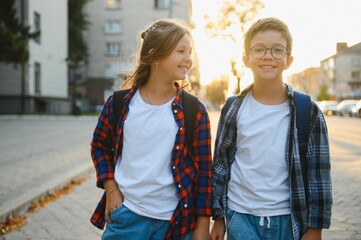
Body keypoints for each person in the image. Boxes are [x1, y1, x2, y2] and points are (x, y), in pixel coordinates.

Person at [89, 18, 212, 240]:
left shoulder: (194, 110)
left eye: (190, 52)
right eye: (181, 51)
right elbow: (99, 146)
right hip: (127, 217)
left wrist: (203, 224)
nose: (188, 59)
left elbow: (204, 171)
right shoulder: (118, 104)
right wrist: (111, 189)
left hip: (176, 222)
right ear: (155, 55)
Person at [210, 17, 332, 240]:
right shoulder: (233, 108)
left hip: (289, 219)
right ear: (246, 59)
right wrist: (218, 217)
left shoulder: (308, 111)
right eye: (259, 50)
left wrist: (315, 229)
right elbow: (221, 164)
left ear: (289, 59)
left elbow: (319, 176)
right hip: (240, 217)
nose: (268, 56)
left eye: (277, 50)